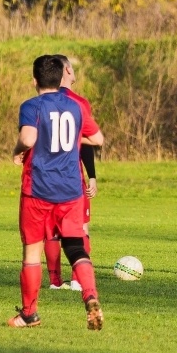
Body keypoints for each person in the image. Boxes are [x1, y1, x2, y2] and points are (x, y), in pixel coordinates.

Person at [8, 55, 105, 330]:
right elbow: (97, 139)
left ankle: (29, 314)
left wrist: (16, 152)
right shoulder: (76, 106)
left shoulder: (32, 106)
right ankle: (90, 294)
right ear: (61, 76)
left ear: (35, 80)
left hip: (38, 189)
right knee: (75, 245)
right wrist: (74, 138)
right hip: (71, 190)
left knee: (31, 252)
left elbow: (28, 138)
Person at [45, 54, 99, 292]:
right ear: (66, 70)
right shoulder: (79, 103)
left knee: (51, 230)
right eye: (73, 68)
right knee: (79, 229)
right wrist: (92, 175)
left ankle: (55, 281)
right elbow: (87, 142)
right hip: (71, 178)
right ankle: (78, 280)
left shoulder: (41, 102)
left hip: (44, 177)